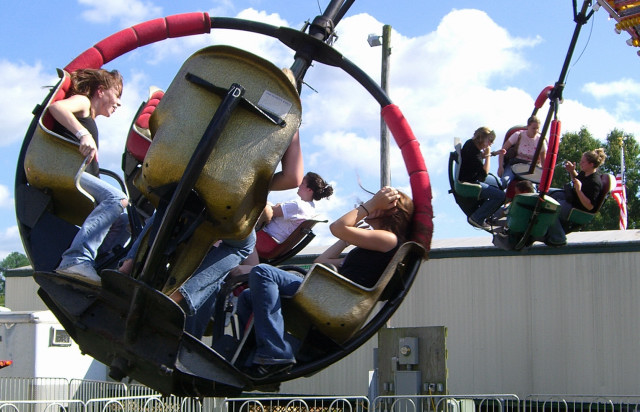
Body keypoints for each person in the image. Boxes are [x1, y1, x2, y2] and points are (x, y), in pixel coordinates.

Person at [119, 68, 305, 338]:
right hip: (225, 198)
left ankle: (128, 263)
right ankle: (182, 296)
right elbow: (292, 178)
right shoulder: (287, 116)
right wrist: (254, 189)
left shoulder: (221, 79)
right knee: (242, 245)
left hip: (178, 174)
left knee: (168, 206)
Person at [235, 186, 415, 379]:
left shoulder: (389, 239)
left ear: (392, 211)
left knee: (263, 272)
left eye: (379, 202)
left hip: (336, 299)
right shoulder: (374, 247)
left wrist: (369, 206)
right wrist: (346, 241)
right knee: (247, 296)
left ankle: (276, 353)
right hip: (331, 294)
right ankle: (254, 359)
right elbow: (321, 262)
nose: (369, 203)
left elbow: (337, 227)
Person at [52, 68, 126, 285]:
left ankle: (100, 264)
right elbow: (58, 108)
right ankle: (76, 259)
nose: (119, 103)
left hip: (78, 173)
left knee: (124, 221)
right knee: (117, 199)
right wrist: (83, 134)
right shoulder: (83, 102)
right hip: (66, 172)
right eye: (117, 94)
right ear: (101, 91)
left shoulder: (91, 117)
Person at [241, 172, 333, 267]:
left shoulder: (298, 205)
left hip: (266, 241)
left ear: (309, 190)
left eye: (302, 183)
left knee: (237, 229)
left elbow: (269, 212)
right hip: (274, 242)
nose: (299, 185)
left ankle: (249, 269)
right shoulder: (310, 208)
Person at [545, 148, 607, 247]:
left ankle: (558, 237)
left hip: (576, 208)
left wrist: (578, 190)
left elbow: (589, 206)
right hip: (571, 197)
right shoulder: (585, 173)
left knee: (548, 208)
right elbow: (578, 180)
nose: (580, 163)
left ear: (591, 164)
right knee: (545, 193)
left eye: (583, 162)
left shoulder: (594, 183)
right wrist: (572, 171)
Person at [458, 127, 506, 229]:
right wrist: (488, 154)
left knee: (501, 185)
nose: (491, 144)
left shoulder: (470, 144)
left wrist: (494, 153)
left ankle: (489, 213)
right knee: (501, 196)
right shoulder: (474, 153)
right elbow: (483, 175)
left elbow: (478, 157)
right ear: (482, 138)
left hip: (469, 176)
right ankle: (477, 217)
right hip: (469, 182)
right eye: (490, 141)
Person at [497, 116, 547, 187]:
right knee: (505, 181)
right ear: (528, 127)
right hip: (515, 164)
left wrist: (544, 177)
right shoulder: (518, 135)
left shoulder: (541, 141)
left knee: (532, 188)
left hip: (531, 168)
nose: (535, 131)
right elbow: (502, 151)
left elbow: (543, 161)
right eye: (533, 128)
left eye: (537, 128)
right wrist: (500, 167)